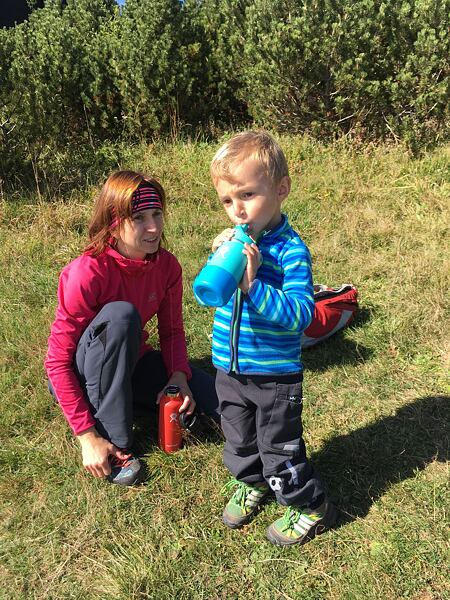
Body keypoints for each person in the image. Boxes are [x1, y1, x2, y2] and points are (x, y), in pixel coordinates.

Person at [45, 170, 219, 486]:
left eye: (157, 214)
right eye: (139, 218)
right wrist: (87, 436)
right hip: (83, 372)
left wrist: (179, 375)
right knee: (122, 316)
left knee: (220, 404)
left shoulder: (166, 266)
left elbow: (172, 331)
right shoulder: (87, 273)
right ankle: (114, 444)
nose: (153, 227)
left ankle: (131, 400)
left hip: (133, 360)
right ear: (114, 221)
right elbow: (56, 362)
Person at [208, 131, 337, 546]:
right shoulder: (237, 243)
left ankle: (308, 504)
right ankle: (253, 482)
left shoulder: (290, 252)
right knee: (238, 438)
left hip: (274, 376)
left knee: (278, 446)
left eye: (247, 194)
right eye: (228, 201)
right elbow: (216, 298)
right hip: (230, 368)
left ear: (280, 190)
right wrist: (218, 263)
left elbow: (301, 315)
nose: (237, 209)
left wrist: (253, 287)